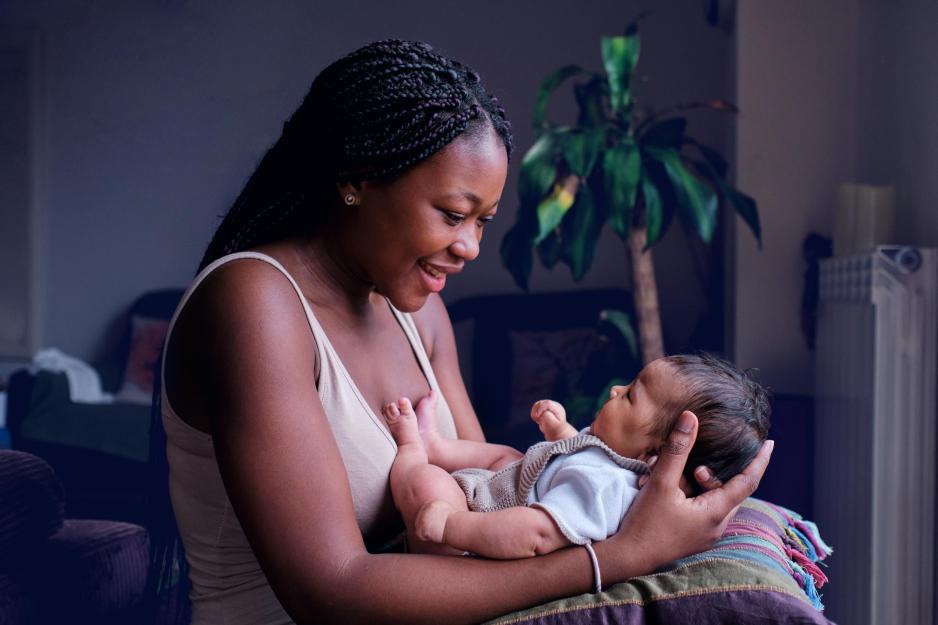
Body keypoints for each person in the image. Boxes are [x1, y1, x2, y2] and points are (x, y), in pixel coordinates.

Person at [152, 39, 774, 625]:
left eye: (484, 221)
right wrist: (622, 557)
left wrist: (649, 497)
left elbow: (483, 504)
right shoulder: (254, 304)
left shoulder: (420, 312)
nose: (471, 247)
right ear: (357, 179)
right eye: (453, 215)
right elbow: (330, 592)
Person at [382, 354, 770, 560]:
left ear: (654, 453)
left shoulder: (602, 489)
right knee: (507, 455)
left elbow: (536, 535)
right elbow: (577, 457)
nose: (617, 389)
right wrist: (559, 431)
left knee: (429, 484)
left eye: (632, 395)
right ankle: (438, 445)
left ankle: (414, 453)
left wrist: (453, 525)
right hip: (512, 486)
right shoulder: (614, 459)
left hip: (480, 538)